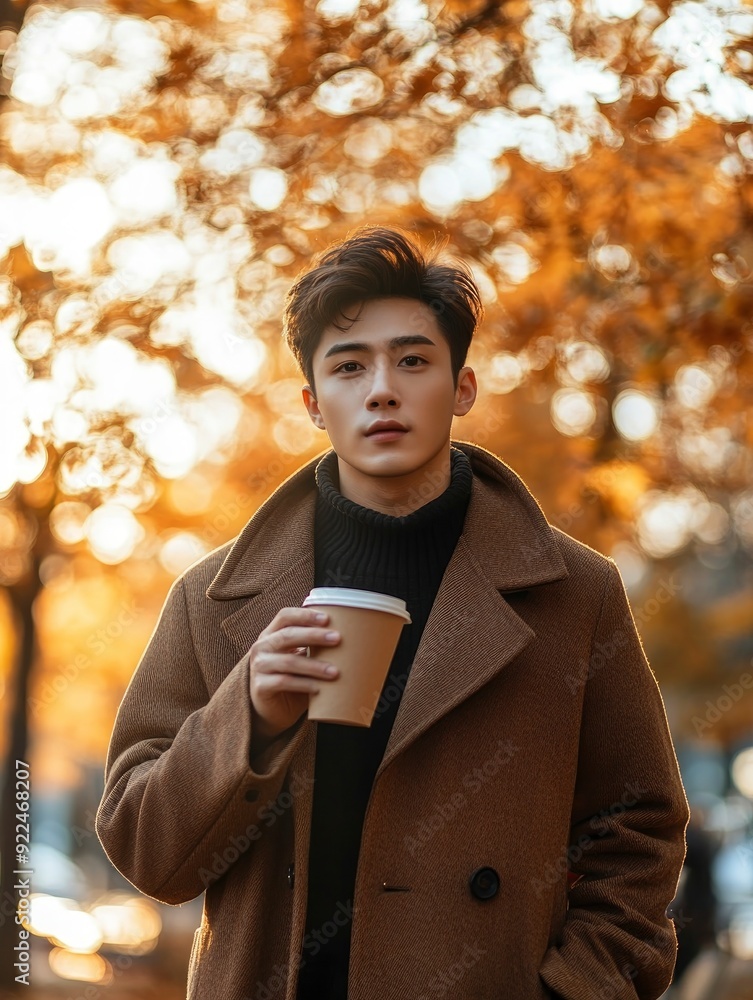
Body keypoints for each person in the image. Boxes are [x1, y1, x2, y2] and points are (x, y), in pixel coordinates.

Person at [96, 226, 690, 1000]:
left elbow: (638, 829)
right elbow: (147, 853)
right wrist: (247, 715)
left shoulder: (574, 594)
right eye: (349, 367)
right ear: (313, 403)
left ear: (462, 388)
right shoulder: (215, 600)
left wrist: (574, 988)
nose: (382, 388)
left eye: (412, 360)